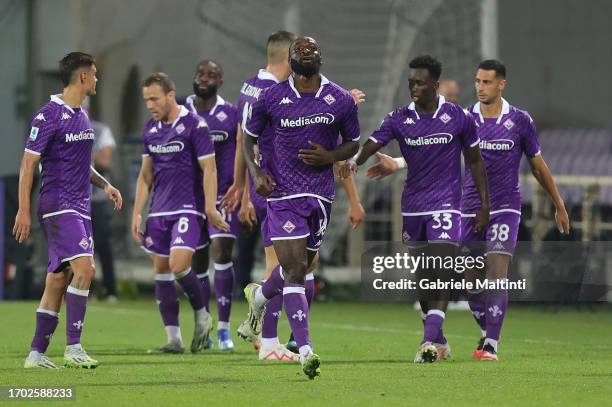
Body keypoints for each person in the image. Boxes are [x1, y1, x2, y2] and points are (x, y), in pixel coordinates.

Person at [365, 59, 570, 361]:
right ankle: (485, 329)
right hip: (466, 210)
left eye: (487, 82)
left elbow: (537, 165)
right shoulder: (464, 117)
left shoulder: (520, 120)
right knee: (470, 281)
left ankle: (491, 344)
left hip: (505, 208)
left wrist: (558, 202)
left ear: (501, 84)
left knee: (497, 273)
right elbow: (435, 149)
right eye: (477, 81)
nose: (480, 87)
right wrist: (395, 163)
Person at [224, 31, 365, 362]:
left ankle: (259, 298)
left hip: (320, 196)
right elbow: (246, 138)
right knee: (295, 268)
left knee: (306, 265)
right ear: (289, 60)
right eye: (299, 50)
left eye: (312, 49)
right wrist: (253, 178)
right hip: (281, 193)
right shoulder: (269, 97)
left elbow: (353, 144)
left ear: (320, 59)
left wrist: (330, 157)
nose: (306, 53)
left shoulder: (340, 98)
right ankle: (298, 348)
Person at [340, 55, 490, 363]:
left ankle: (427, 341)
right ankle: (440, 339)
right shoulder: (398, 117)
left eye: (420, 83)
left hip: (447, 205)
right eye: (411, 83)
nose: (414, 87)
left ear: (435, 85)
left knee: (442, 269)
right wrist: (354, 163)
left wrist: (484, 204)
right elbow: (371, 143)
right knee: (424, 276)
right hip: (413, 206)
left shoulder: (459, 117)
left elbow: (475, 161)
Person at [14, 52, 123, 369]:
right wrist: (23, 210)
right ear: (84, 76)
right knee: (86, 269)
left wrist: (105, 185)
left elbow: (82, 165)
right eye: (95, 74)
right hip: (58, 204)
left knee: (57, 281)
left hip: (80, 206)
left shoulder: (81, 115)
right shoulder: (47, 116)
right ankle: (74, 347)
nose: (98, 79)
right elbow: (27, 166)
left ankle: (36, 354)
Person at [131, 72, 229, 354]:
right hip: (158, 210)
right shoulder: (150, 129)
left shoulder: (194, 125)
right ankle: (173, 338)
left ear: (170, 96)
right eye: (146, 99)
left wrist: (210, 207)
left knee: (178, 265)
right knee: (160, 270)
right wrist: (137, 213)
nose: (150, 104)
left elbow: (209, 168)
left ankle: (202, 314)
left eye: (154, 98)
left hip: (188, 208)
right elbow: (145, 176)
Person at [185, 59, 239, 350]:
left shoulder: (230, 113)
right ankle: (203, 321)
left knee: (222, 252)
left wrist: (239, 186)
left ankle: (224, 330)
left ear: (220, 81)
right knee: (198, 263)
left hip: (223, 195)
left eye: (212, 75)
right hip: (190, 197)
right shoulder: (182, 112)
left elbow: (243, 148)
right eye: (200, 73)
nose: (204, 78)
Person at [90, 119, 119, 301]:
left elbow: (104, 161)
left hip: (98, 199)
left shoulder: (101, 129)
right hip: (75, 199)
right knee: (79, 248)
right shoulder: (64, 126)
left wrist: (86, 156)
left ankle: (110, 290)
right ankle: (85, 289)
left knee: (102, 244)